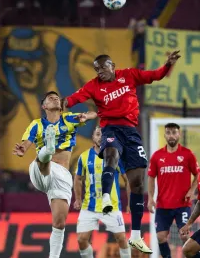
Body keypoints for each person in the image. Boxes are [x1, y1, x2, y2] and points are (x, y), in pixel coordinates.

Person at [62, 51, 181, 253]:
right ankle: (106, 198)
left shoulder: (130, 75)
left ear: (113, 65)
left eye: (103, 67)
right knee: (111, 154)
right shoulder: (93, 86)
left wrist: (168, 64)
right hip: (110, 128)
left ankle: (135, 236)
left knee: (137, 183)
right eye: (96, 69)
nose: (100, 72)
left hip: (131, 132)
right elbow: (73, 99)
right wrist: (60, 104)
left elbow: (155, 75)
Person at [13, 91, 97, 258]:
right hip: (40, 171)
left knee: (59, 223)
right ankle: (47, 150)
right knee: (44, 161)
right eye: (50, 98)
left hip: (62, 175)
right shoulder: (36, 124)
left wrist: (86, 116)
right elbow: (27, 142)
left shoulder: (70, 119)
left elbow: (94, 114)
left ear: (60, 105)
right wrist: (23, 148)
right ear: (44, 106)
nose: (54, 98)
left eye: (56, 97)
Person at [74, 126, 132, 258]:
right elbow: (78, 178)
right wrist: (78, 199)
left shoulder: (115, 155)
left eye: (103, 135)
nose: (101, 138)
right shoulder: (84, 157)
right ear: (93, 137)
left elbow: (127, 180)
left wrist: (130, 202)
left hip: (111, 206)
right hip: (90, 206)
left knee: (121, 238)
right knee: (81, 239)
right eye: (98, 134)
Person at [147, 123, 200, 258]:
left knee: (185, 237)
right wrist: (150, 198)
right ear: (164, 135)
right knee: (160, 237)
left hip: (182, 205)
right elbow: (151, 178)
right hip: (163, 205)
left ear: (179, 134)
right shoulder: (157, 156)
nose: (171, 135)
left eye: (174, 132)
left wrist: (192, 191)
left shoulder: (187, 154)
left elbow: (198, 174)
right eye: (169, 133)